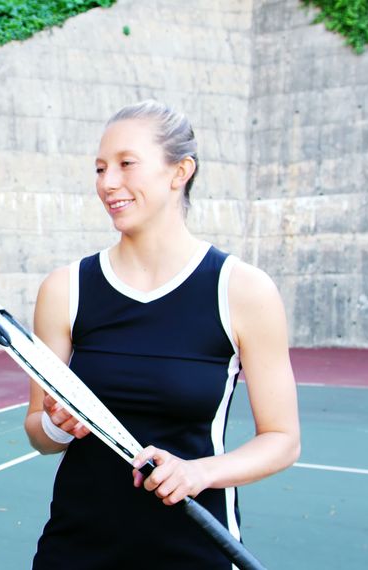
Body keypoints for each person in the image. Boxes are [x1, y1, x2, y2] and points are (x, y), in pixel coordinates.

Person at [25, 100, 301, 567]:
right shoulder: (64, 289)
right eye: (99, 168)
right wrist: (58, 423)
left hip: (192, 550)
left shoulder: (241, 290)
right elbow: (39, 432)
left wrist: (197, 473)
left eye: (126, 164)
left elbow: (282, 439)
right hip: (76, 549)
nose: (108, 183)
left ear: (180, 172)